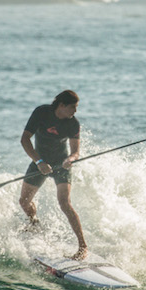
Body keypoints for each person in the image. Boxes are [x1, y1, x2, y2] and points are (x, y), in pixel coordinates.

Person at [19, 90, 87, 259]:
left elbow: (75, 152)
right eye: (73, 107)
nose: (75, 111)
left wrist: (70, 159)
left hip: (61, 164)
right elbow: (25, 139)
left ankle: (83, 246)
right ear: (61, 105)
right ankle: (34, 224)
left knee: (64, 203)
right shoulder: (41, 112)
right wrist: (39, 162)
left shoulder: (73, 123)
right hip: (39, 161)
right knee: (24, 202)